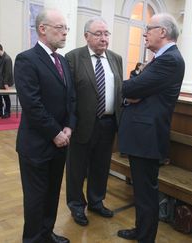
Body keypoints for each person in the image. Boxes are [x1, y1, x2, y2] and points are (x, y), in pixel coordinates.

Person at [117, 13, 185, 243]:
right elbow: (136, 87)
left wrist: (133, 91)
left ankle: (146, 237)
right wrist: (134, 91)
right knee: (142, 190)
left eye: (149, 28)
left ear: (163, 32)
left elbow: (131, 88)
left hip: (147, 137)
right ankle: (141, 230)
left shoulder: (170, 60)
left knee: (146, 192)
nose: (145, 33)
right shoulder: (160, 58)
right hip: (143, 135)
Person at [14, 9, 75, 243]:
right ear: (42, 29)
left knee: (51, 195)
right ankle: (32, 239)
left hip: (61, 142)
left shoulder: (62, 60)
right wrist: (55, 132)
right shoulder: (27, 59)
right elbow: (32, 104)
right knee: (35, 199)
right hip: (37, 145)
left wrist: (69, 126)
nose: (65, 33)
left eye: (66, 28)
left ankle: (46, 235)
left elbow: (71, 98)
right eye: (60, 28)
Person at [64, 17, 123, 226]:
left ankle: (97, 202)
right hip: (81, 124)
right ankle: (76, 205)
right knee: (76, 169)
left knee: (101, 166)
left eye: (106, 34)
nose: (103, 38)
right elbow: (69, 95)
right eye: (98, 34)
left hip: (108, 124)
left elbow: (119, 91)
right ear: (86, 36)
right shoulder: (73, 57)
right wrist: (69, 124)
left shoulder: (116, 59)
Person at [0, 43, 14, 119]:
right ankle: (0, 112)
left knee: (6, 97)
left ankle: (7, 112)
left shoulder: (7, 58)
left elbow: (8, 72)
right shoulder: (0, 57)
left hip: (4, 83)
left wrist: (6, 83)